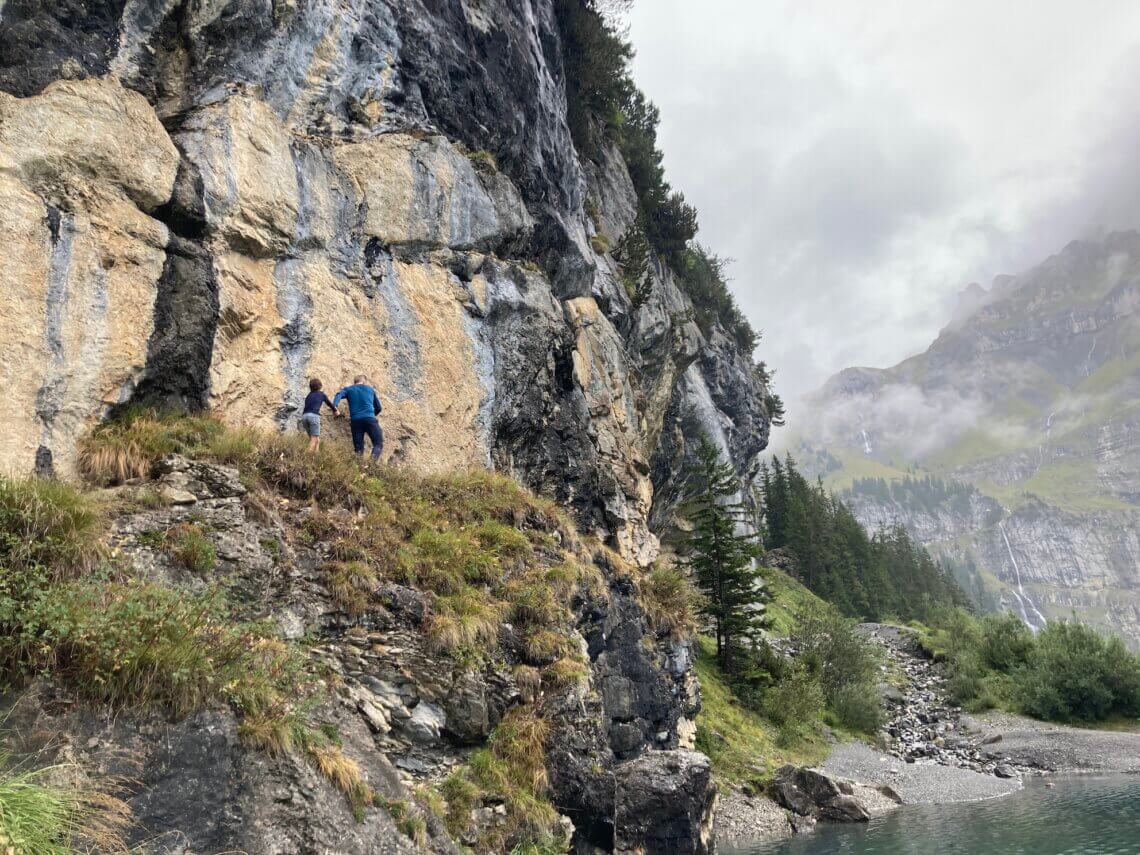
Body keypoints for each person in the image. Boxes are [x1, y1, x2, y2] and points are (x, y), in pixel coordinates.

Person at [333, 374, 383, 460]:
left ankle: (359, 468)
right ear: (364, 381)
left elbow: (338, 395)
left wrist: (335, 407)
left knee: (358, 449)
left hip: (355, 421)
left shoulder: (348, 389)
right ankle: (370, 465)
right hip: (370, 419)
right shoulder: (370, 389)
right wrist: (371, 415)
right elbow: (378, 407)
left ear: (355, 382)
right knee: (378, 443)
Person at [301, 377, 338, 451]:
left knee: (315, 439)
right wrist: (335, 410)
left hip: (304, 417)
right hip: (313, 416)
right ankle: (307, 457)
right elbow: (329, 404)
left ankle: (316, 455)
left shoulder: (308, 396)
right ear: (320, 386)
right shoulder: (322, 394)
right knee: (314, 439)